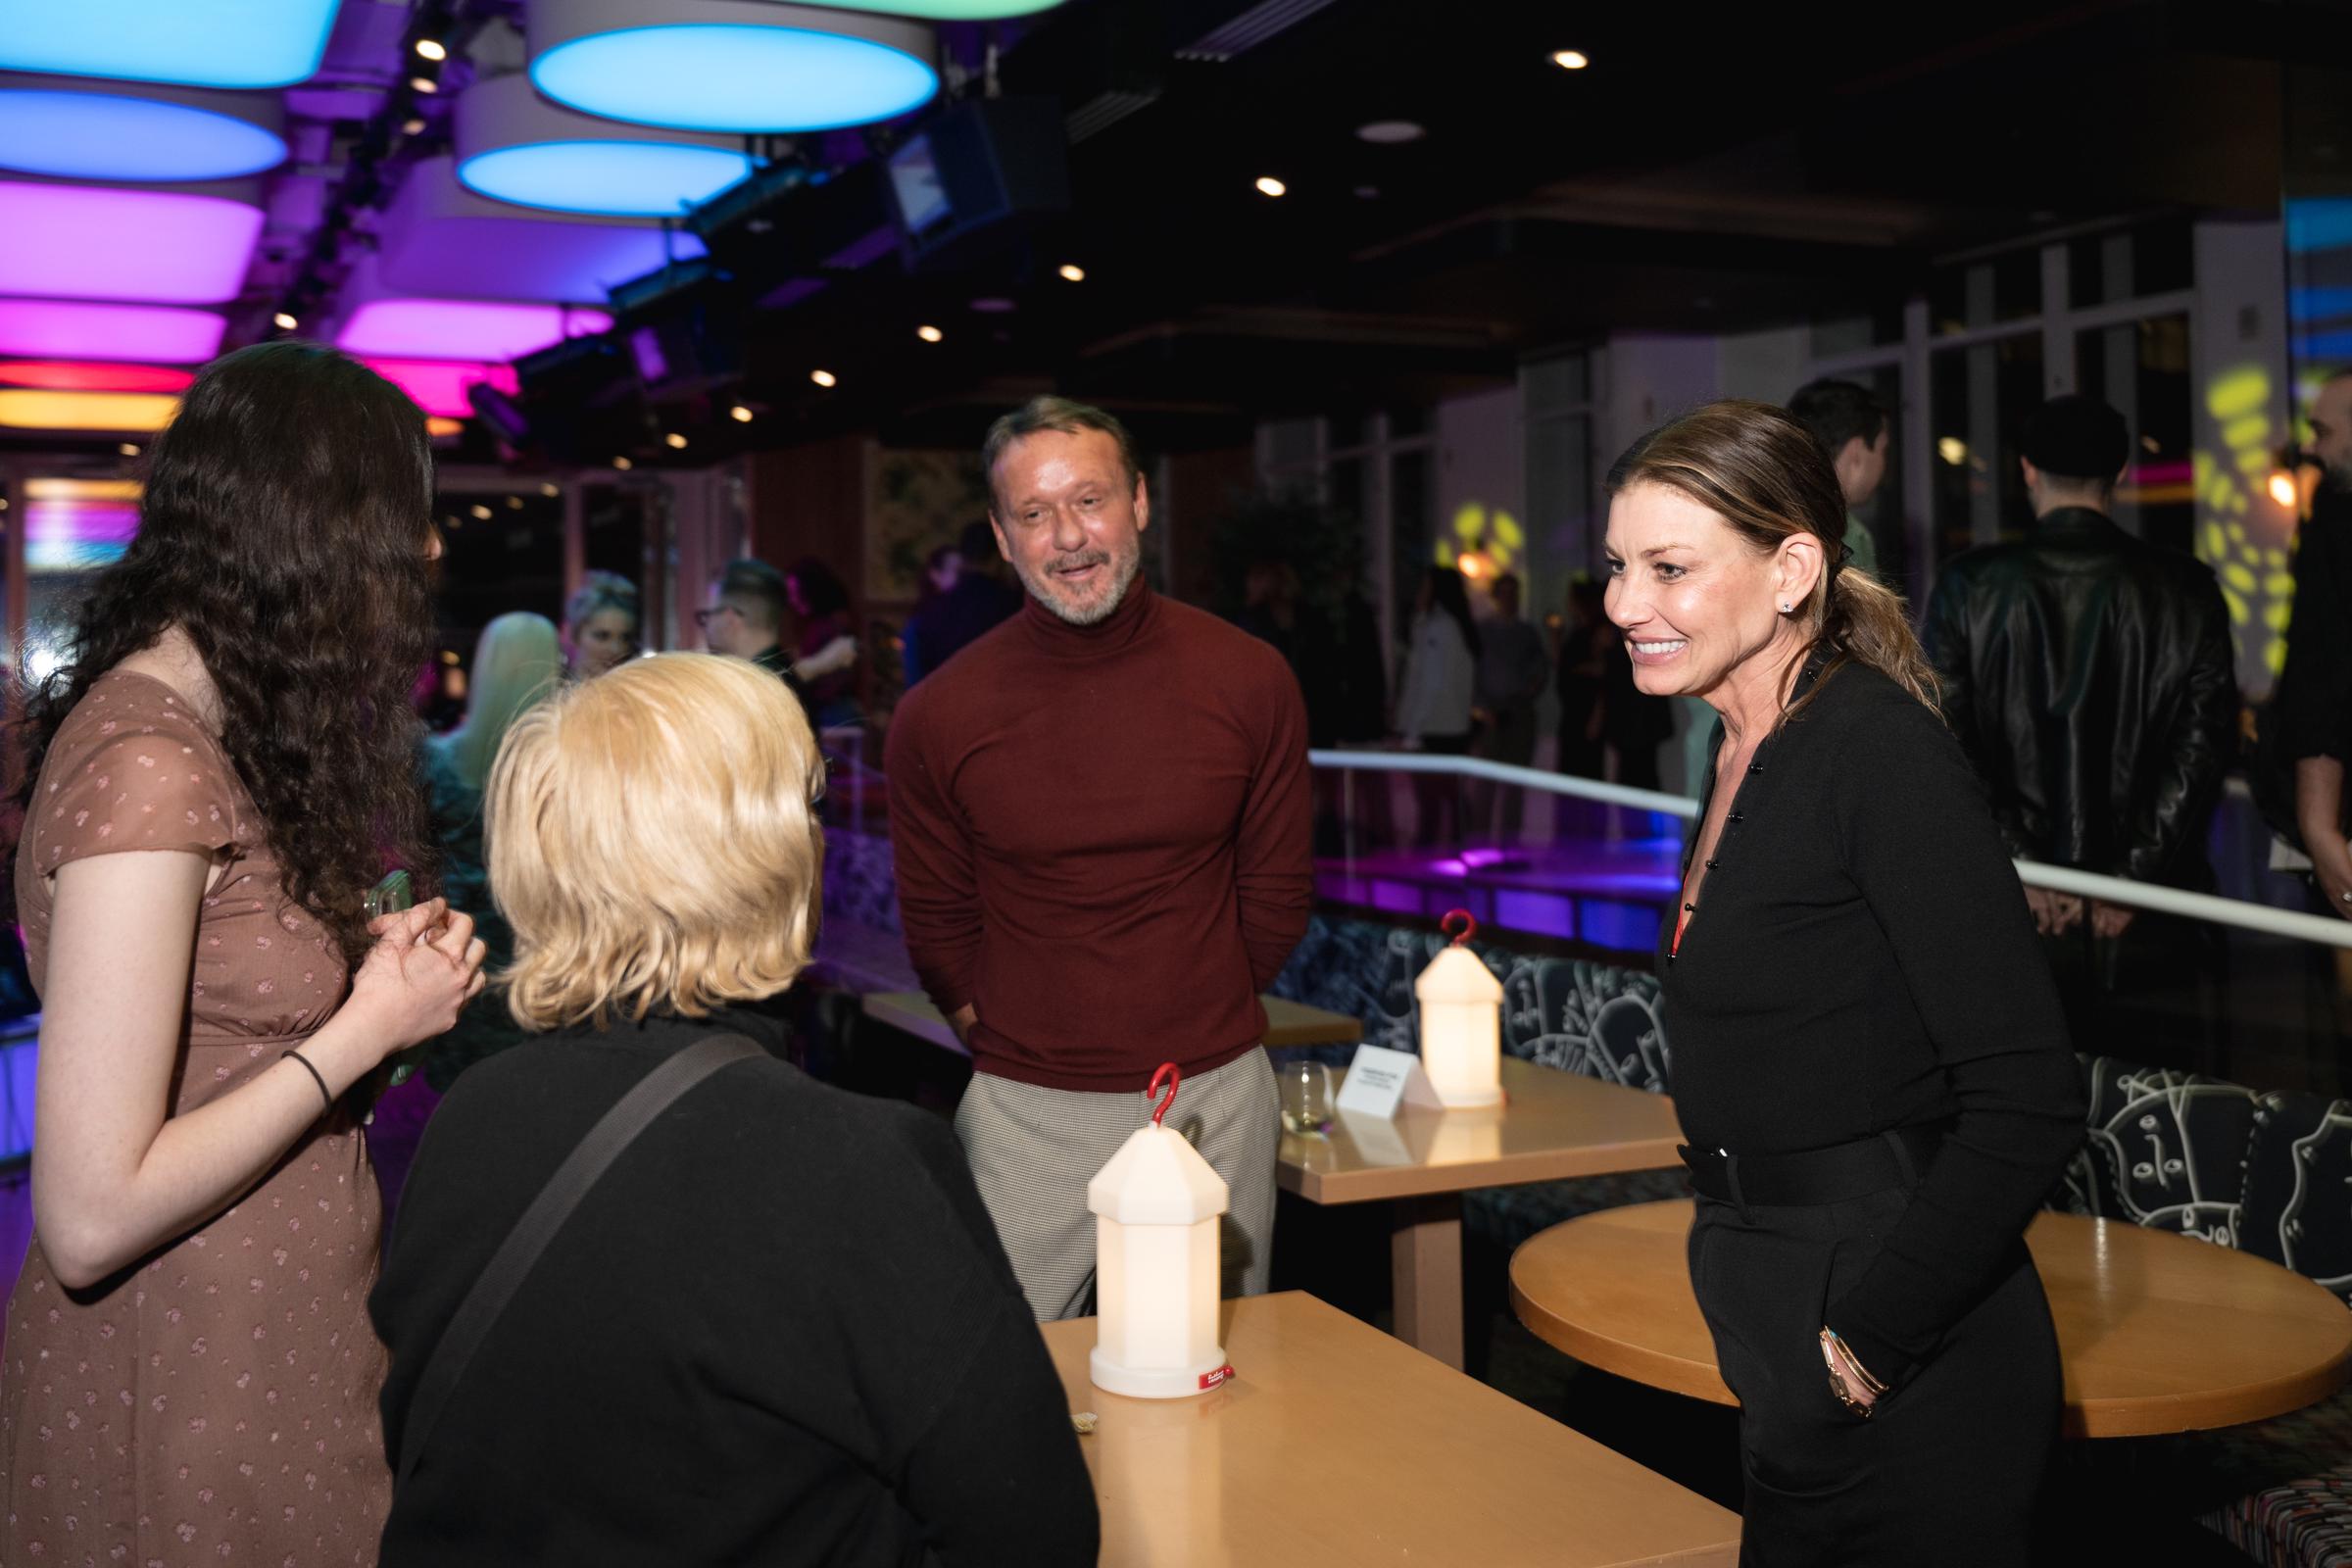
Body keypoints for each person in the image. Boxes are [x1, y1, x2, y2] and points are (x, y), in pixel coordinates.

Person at [372, 655, 1096, 1564]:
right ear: (768, 855)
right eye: (809, 808)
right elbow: (1038, 1532)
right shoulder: (857, 1166)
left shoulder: (472, 1118)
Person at [1, 342, 487, 1565]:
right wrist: (364, 1026)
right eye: (403, 519)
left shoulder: (217, 739)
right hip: (183, 1382)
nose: (426, 552)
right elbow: (90, 1212)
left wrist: (378, 984)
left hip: (266, 1345)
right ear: (308, 530)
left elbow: (218, 1048)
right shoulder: (148, 765)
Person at [1605, 400, 2084, 1562]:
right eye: (1618, 567)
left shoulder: (1877, 751)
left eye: (1670, 567)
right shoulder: (1738, 743)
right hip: (1780, 1292)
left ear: (1793, 569)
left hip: (1903, 1342)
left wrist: (1866, 1340)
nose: (1625, 604)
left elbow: (2028, 1094)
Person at [886, 395, 1311, 1320]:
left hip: (1214, 1099)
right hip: (1024, 1110)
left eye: (1090, 501)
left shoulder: (1249, 678)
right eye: (1035, 515)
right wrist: (1004, 1033)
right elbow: (937, 920)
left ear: (1141, 503)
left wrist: (1198, 1008)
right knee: (999, 1389)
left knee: (1211, 1388)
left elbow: (1275, 891)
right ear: (1002, 538)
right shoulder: (939, 715)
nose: (1069, 537)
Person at [1923, 394, 2236, 1058]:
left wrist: (2025, 869)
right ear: (2119, 475)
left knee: (2017, 1110)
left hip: (2007, 914)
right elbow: (2202, 749)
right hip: (2155, 921)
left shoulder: (1968, 584)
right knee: (2157, 1124)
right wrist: (2127, 882)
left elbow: (1943, 744)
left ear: (2028, 471)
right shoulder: (2187, 588)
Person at [416, 612, 564, 1090]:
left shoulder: (436, 759)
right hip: (536, 942)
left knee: (464, 1097)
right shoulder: (562, 769)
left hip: (462, 942)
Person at [2273, 368, 2352, 917]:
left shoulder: (2336, 526)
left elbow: (2321, 673)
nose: (2308, 445)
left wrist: (2318, 824)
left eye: (2322, 432)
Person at [1393, 564, 1481, 847]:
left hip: (1436, 726)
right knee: (1449, 796)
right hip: (1451, 725)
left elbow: (1430, 683)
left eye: (1424, 586)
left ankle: (1432, 860)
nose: (1419, 592)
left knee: (1434, 800)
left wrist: (1413, 731)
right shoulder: (1453, 624)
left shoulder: (1439, 626)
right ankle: (1457, 853)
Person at [1470, 571, 1549, 841]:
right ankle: (1479, 843)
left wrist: (1531, 687)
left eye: (1514, 593)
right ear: (1495, 596)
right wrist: (1481, 708)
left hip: (1519, 714)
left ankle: (1509, 845)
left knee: (1515, 783)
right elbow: (1471, 674)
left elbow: (1540, 669)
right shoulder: (1482, 632)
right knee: (1486, 783)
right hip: (1491, 714)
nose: (1509, 599)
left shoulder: (1527, 633)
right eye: (1504, 593)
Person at [1788, 377, 1890, 581]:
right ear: (1857, 452)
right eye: (1883, 450)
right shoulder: (1848, 534)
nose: (1884, 463)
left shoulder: (1764, 512)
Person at [903, 520, 1021, 686]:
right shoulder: (1012, 607)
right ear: (999, 556)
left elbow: (916, 682)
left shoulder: (932, 613)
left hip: (943, 705)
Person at [701, 558, 811, 718]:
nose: (707, 625)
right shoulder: (785, 679)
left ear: (729, 619)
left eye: (707, 615)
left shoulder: (750, 695)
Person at [784, 558, 862, 729]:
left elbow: (831, 674)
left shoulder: (834, 626)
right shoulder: (820, 624)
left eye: (795, 592)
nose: (792, 599)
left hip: (833, 711)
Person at [561, 569, 638, 680]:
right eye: (602, 636)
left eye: (625, 638)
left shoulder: (632, 693)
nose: (616, 649)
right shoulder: (551, 693)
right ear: (574, 635)